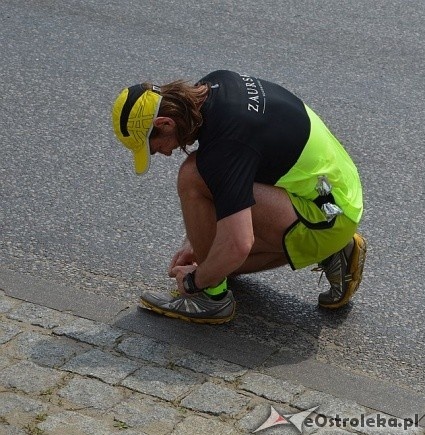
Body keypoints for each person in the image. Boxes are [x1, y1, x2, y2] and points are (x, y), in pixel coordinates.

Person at [111, 70, 366, 324]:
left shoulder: (226, 146)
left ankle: (211, 300)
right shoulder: (214, 85)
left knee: (192, 175)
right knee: (215, 258)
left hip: (327, 217)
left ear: (165, 124)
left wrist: (194, 281)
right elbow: (242, 164)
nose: (161, 153)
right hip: (336, 196)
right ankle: (335, 251)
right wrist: (195, 241)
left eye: (153, 148)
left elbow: (238, 244)